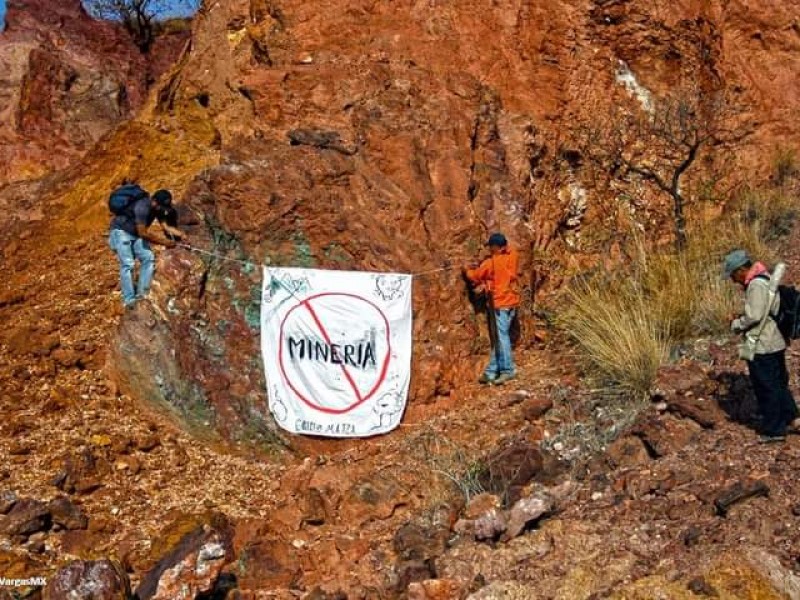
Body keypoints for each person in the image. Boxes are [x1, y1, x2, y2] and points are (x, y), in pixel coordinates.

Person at [725, 249, 799, 443]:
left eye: (733, 274)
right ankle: (791, 417)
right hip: (775, 341)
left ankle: (774, 430)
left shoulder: (756, 285)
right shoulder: (765, 278)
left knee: (766, 386)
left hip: (763, 345)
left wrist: (736, 324)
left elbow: (755, 316)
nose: (733, 280)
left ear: (741, 269)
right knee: (779, 382)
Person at [108, 183, 182, 309]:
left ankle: (142, 295)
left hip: (135, 234)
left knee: (148, 258)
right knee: (128, 264)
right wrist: (164, 242)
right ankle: (129, 300)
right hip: (121, 232)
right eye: (160, 206)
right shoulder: (143, 206)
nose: (160, 209)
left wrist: (182, 235)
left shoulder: (157, 209)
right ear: (154, 201)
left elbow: (166, 227)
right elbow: (143, 233)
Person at [463, 232, 520, 385]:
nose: (489, 249)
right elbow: (499, 272)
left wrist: (467, 269)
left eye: (490, 246)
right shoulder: (513, 255)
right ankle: (491, 371)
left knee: (502, 338)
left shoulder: (491, 263)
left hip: (500, 305)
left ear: (495, 247)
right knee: (501, 337)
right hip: (512, 302)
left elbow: (475, 276)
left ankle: (508, 370)